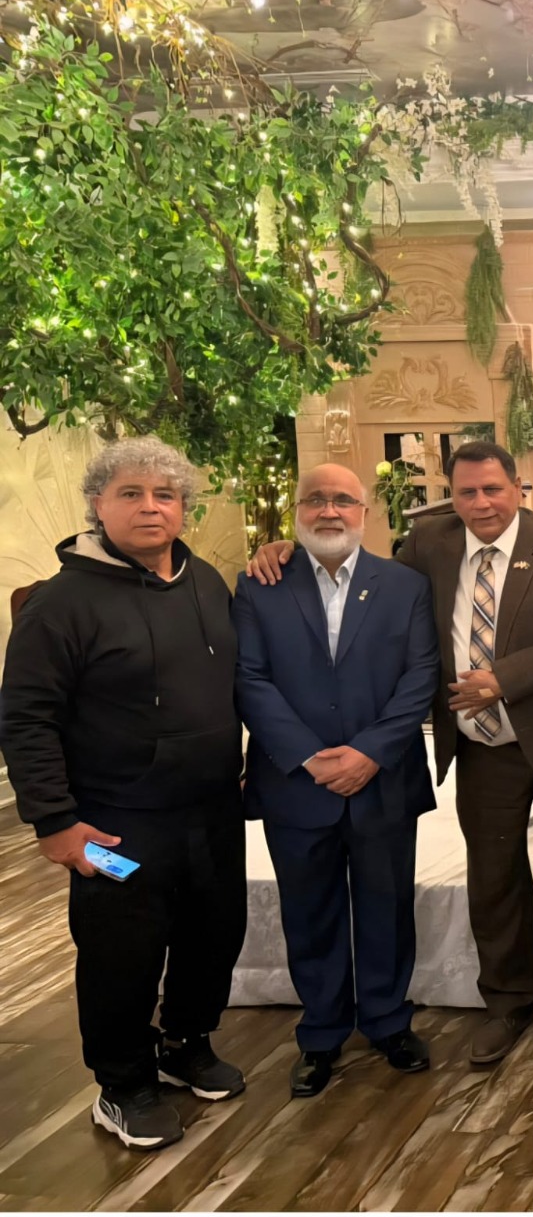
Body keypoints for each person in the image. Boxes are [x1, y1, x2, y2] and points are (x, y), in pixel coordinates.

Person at [246, 442, 533, 1070]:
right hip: (482, 746)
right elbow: (358, 576)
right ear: (452, 496)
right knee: (493, 882)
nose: (481, 503)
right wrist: (286, 548)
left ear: (518, 488)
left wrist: (501, 679)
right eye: (467, 492)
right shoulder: (428, 546)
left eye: (493, 489)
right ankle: (507, 1002)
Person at [1, 437, 246, 1152]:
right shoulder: (61, 603)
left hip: (211, 812)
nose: (150, 507)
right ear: (98, 505)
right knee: (122, 952)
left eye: (165, 495)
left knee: (213, 934)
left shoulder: (206, 581)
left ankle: (185, 1042)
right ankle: (124, 1083)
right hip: (116, 827)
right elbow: (25, 717)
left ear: (182, 507)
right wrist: (55, 822)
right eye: (131, 494)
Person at [233, 464, 439, 1097]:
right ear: (296, 511)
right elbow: (249, 678)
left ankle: (388, 1021)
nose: (329, 511)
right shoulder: (258, 585)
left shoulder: (405, 585)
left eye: (343, 500)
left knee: (387, 907)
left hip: (383, 779)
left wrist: (369, 753)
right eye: (315, 500)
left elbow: (421, 676)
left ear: (364, 512)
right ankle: (321, 1034)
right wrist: (308, 757)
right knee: (309, 913)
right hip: (297, 783)